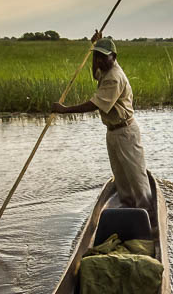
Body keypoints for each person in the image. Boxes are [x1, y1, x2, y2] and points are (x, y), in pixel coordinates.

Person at [51, 32, 151, 210]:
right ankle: (128, 209)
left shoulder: (114, 77)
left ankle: (147, 214)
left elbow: (94, 104)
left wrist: (65, 110)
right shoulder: (106, 68)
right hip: (112, 132)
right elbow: (95, 74)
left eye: (102, 57)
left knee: (136, 176)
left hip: (125, 132)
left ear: (113, 58)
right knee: (120, 176)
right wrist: (95, 45)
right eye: (96, 57)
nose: (98, 61)